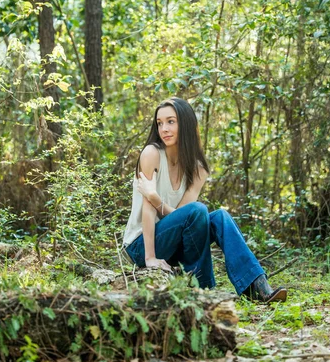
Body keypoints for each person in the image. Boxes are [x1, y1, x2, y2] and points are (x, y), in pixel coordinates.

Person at [123, 97, 287, 303]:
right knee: (198, 211)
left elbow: (184, 218)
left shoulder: (198, 168)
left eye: (171, 121)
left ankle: (257, 287)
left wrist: (155, 198)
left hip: (171, 241)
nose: (164, 128)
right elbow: (149, 212)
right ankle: (205, 288)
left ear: (186, 123)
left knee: (219, 217)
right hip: (142, 245)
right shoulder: (152, 153)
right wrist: (150, 258)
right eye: (160, 123)